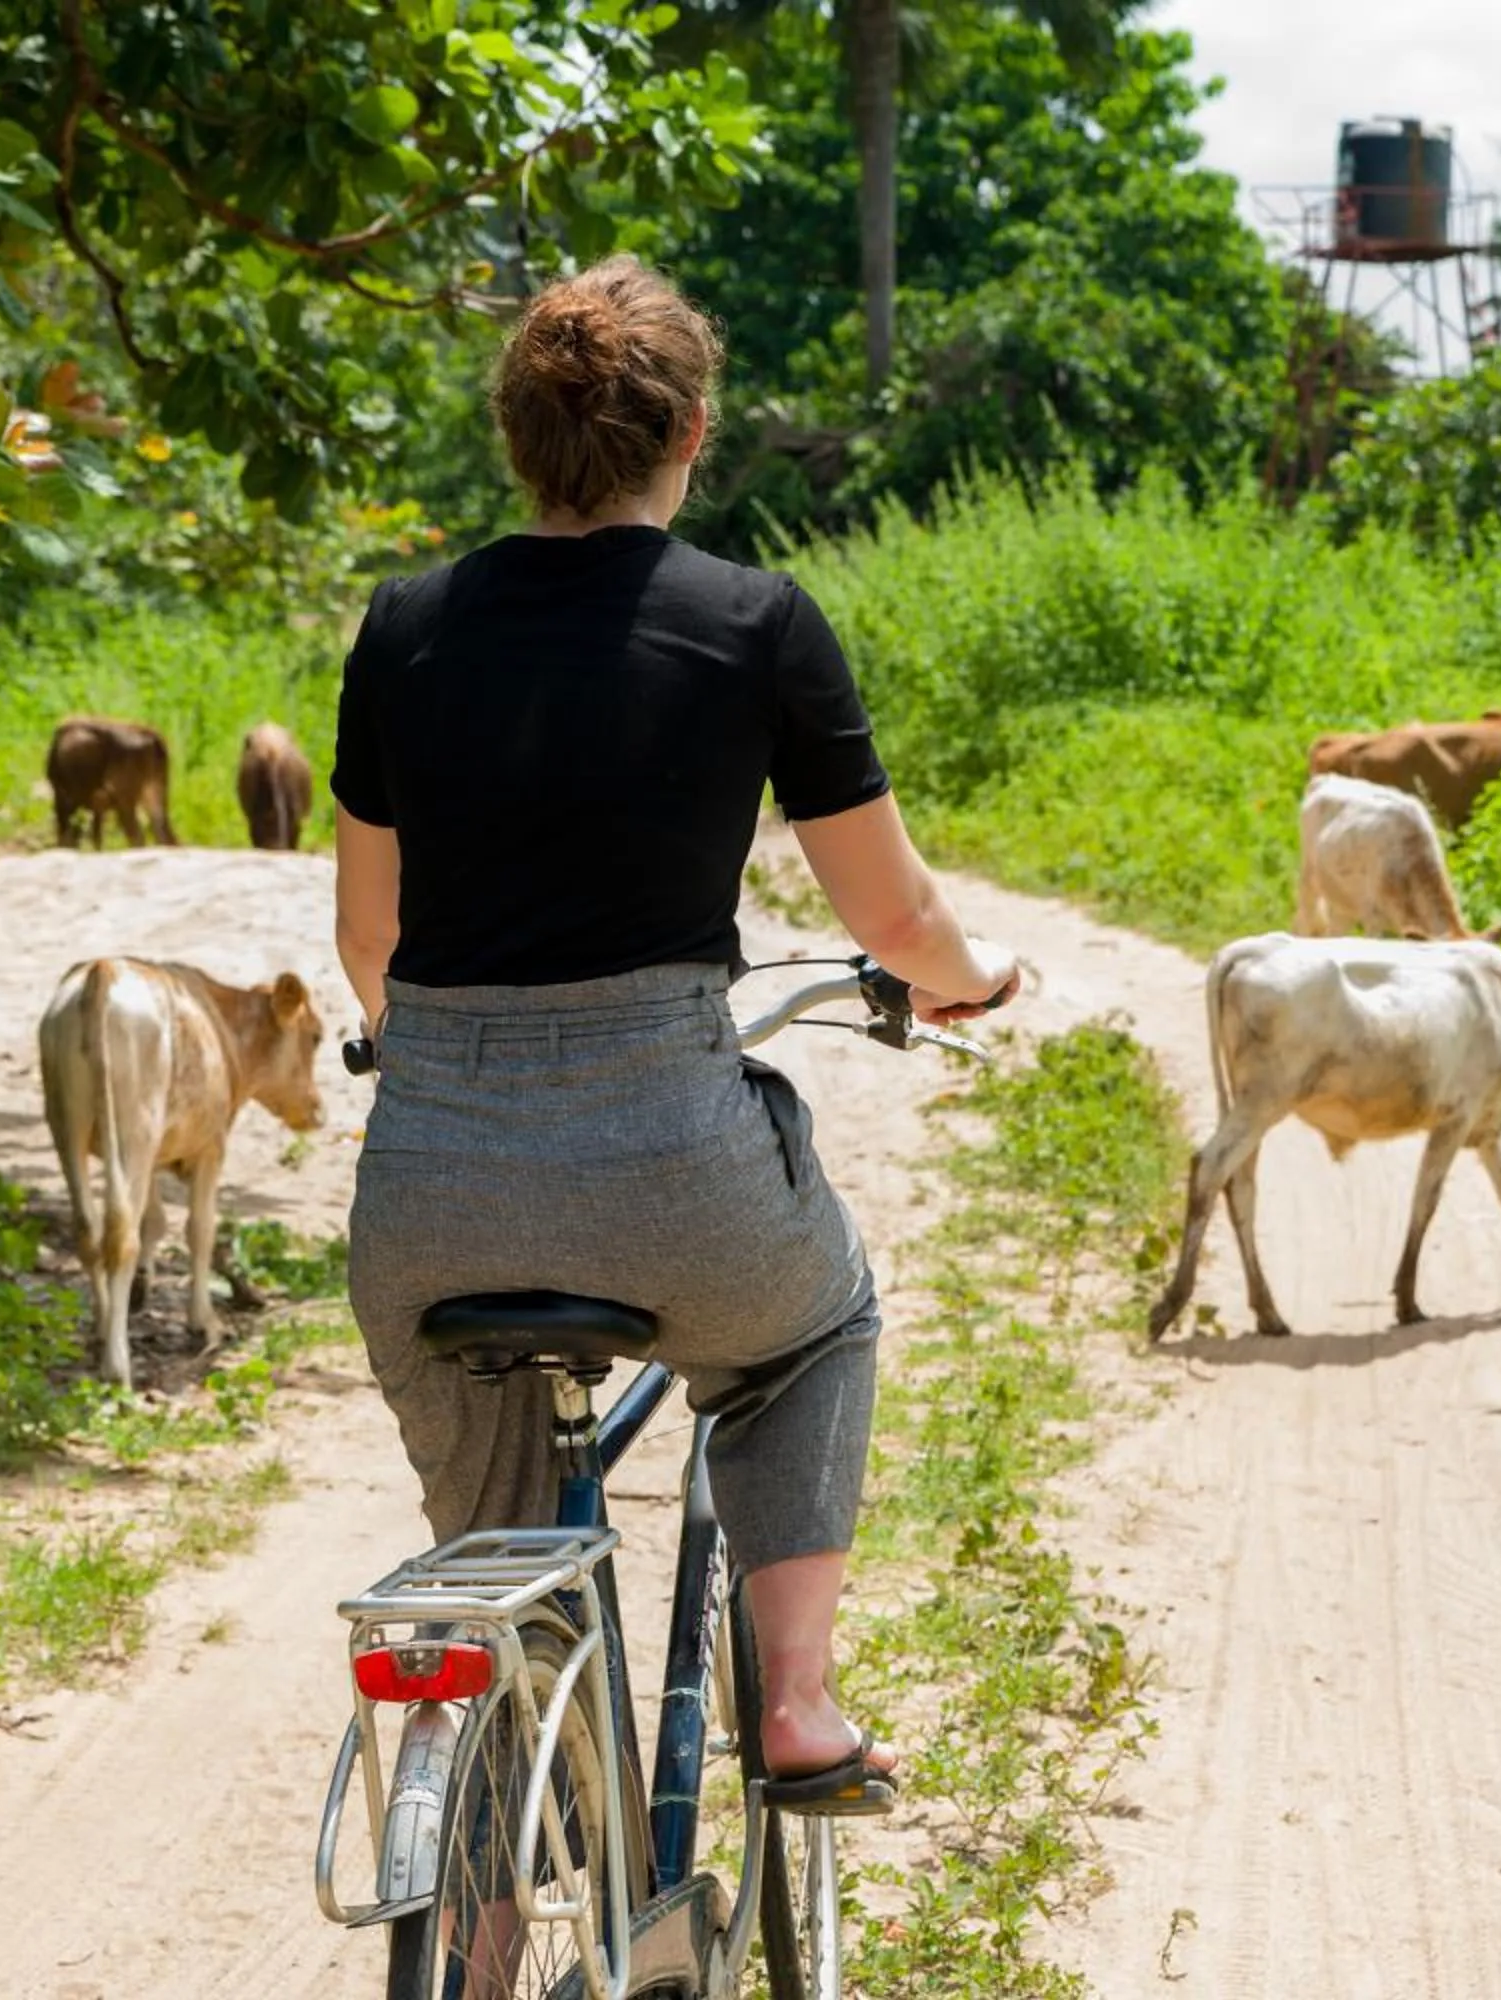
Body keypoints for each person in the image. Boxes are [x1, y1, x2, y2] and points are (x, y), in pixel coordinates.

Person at [330, 254, 1019, 1815]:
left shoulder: (403, 630)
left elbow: (369, 944)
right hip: (679, 1175)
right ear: (691, 432)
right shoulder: (756, 623)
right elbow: (897, 926)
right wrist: (967, 982)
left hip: (430, 1196)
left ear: (514, 441)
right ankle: (798, 1708)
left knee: (496, 1557)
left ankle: (490, 1874)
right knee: (810, 1333)